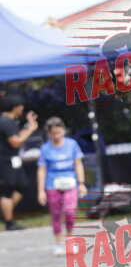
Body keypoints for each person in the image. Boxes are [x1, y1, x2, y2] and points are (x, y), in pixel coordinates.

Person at [37, 117, 87, 255]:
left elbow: (78, 164)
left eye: (58, 132)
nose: (56, 136)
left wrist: (81, 183)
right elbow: (41, 170)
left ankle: (70, 241)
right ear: (49, 133)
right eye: (53, 133)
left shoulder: (72, 145)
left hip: (70, 183)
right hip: (52, 185)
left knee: (70, 212)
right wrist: (41, 190)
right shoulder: (45, 148)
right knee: (56, 214)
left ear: (63, 130)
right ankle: (59, 243)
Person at [0, 94, 38, 231]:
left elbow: (18, 136)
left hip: (13, 160)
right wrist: (31, 129)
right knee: (7, 190)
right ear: (15, 107)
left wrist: (29, 125)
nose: (22, 109)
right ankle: (9, 222)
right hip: (6, 161)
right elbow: (15, 142)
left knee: (22, 186)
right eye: (21, 106)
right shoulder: (5, 121)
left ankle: (6, 213)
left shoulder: (11, 121)